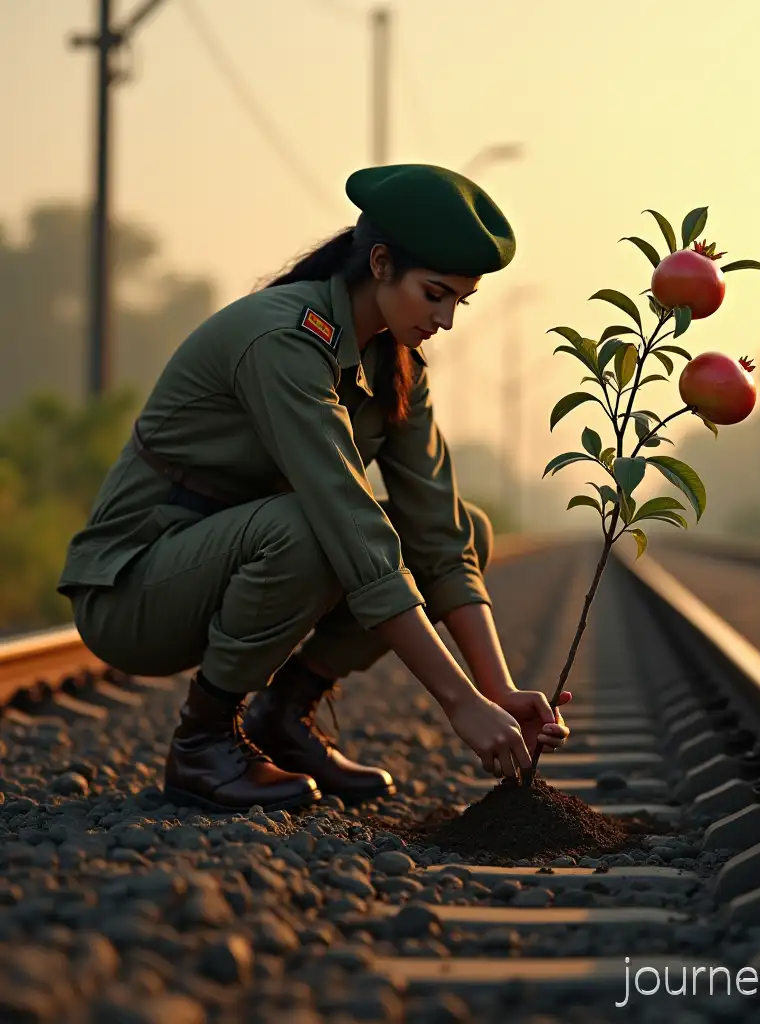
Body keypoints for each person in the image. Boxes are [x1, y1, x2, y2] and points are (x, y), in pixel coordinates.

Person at [56, 163, 571, 815]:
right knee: (315, 528)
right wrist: (457, 701)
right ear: (380, 264)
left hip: (231, 562)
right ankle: (202, 742)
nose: (445, 320)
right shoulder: (284, 339)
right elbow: (346, 521)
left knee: (467, 528)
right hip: (135, 588)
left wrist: (496, 690)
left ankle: (282, 716)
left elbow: (441, 536)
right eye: (434, 294)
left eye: (459, 302)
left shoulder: (396, 364)